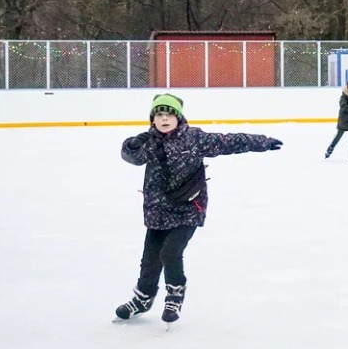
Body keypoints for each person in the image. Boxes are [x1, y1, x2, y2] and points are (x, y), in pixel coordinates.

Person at [115, 94, 283, 324]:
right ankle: (143, 298)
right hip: (157, 209)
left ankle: (174, 296)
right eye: (159, 115)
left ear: (178, 117)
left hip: (188, 207)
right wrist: (132, 144)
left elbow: (229, 142)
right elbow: (132, 158)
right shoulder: (149, 142)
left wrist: (262, 142)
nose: (164, 119)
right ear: (153, 119)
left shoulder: (194, 138)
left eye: (169, 115)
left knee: (170, 253)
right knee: (150, 258)